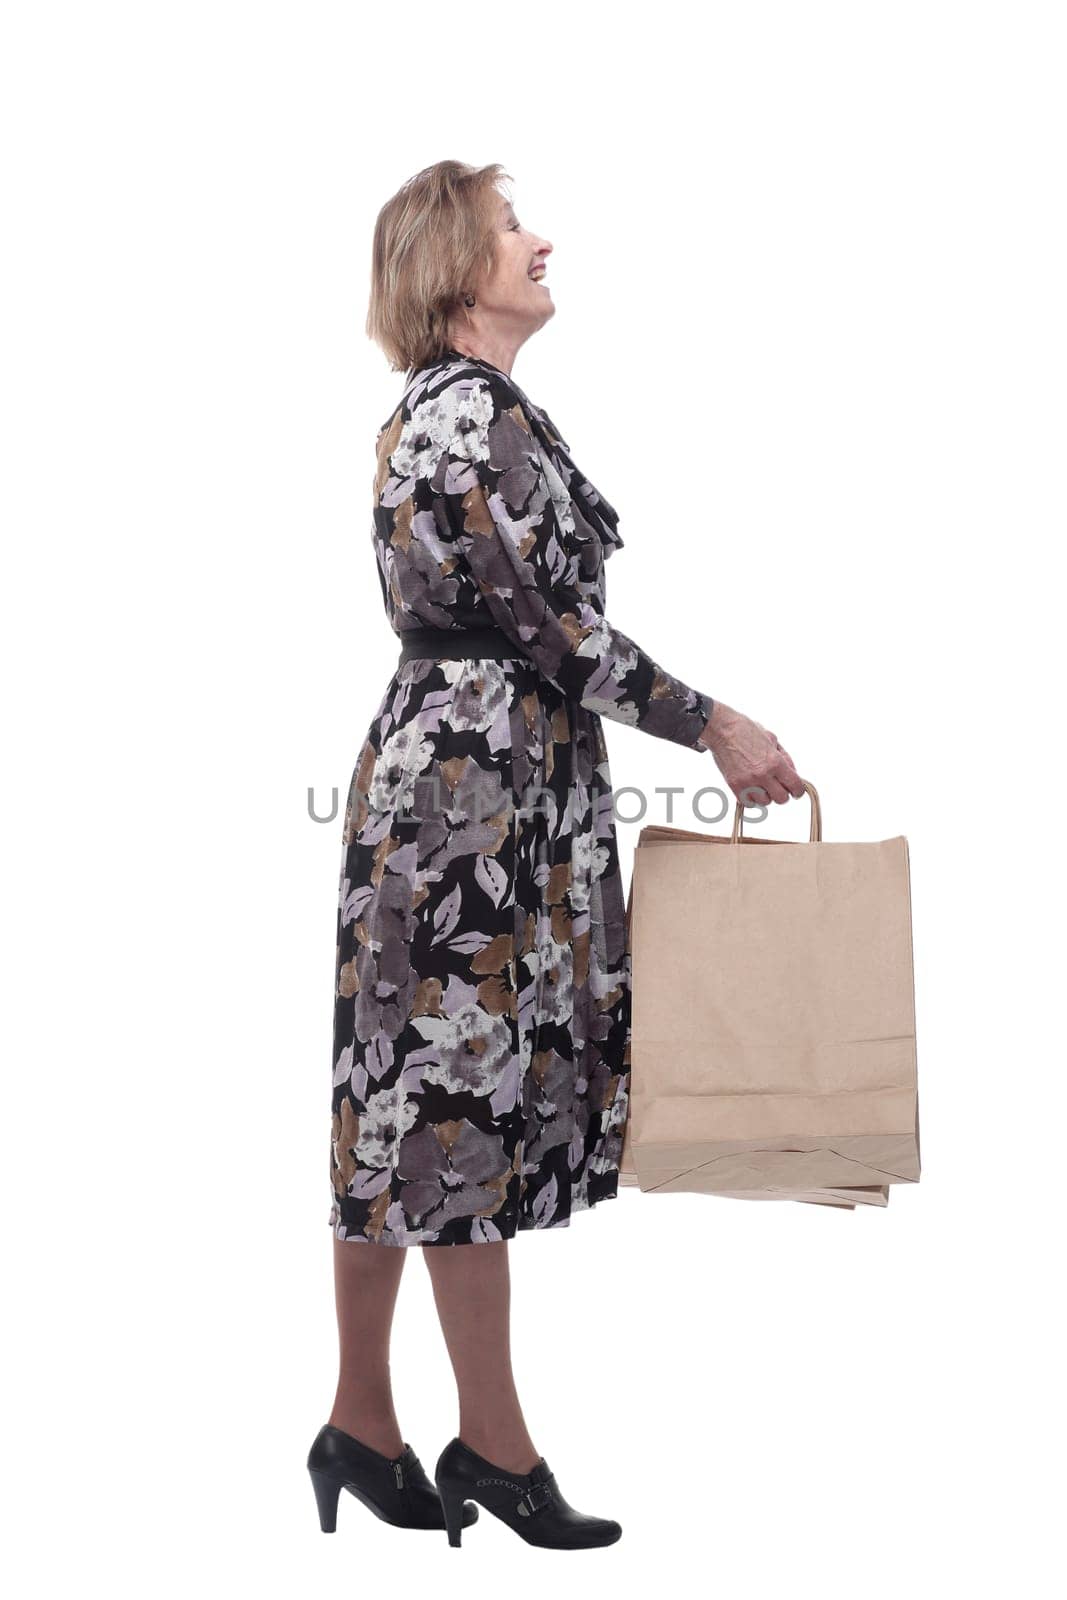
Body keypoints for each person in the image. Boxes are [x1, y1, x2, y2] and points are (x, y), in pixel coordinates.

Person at [306, 160, 805, 1550]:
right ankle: (487, 1447)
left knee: (405, 1112)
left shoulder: (434, 413)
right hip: (472, 800)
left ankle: (367, 1420)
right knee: (451, 1118)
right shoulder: (478, 417)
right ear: (452, 269)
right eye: (511, 227)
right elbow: (560, 636)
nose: (541, 241)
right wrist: (715, 723)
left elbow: (532, 630)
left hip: (453, 784)